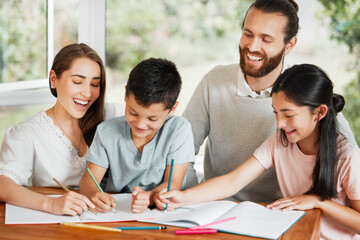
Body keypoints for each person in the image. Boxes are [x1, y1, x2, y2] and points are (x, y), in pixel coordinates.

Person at [183, 0, 358, 203]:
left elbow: (349, 160)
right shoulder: (214, 82)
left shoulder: (304, 93)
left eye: (266, 39)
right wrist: (191, 200)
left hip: (278, 213)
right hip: (215, 205)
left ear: (289, 44)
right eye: (248, 34)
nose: (252, 46)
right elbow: (181, 151)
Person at [161, 64, 360, 239]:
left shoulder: (348, 157)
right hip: (296, 234)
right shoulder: (279, 143)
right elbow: (233, 182)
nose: (280, 123)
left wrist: (320, 203)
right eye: (276, 112)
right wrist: (182, 197)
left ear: (320, 112)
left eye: (288, 115)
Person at [0, 43, 124, 216]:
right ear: (53, 79)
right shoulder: (27, 133)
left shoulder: (113, 116)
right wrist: (51, 204)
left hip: (109, 218)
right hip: (54, 224)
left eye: (95, 84)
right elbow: (3, 184)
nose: (87, 94)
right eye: (77, 82)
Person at [79, 58, 194, 214]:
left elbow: (173, 184)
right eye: (133, 112)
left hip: (166, 213)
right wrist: (94, 195)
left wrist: (149, 197)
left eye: (152, 119)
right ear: (125, 95)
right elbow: (88, 181)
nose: (140, 124)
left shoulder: (179, 130)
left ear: (172, 109)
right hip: (117, 212)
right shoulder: (107, 132)